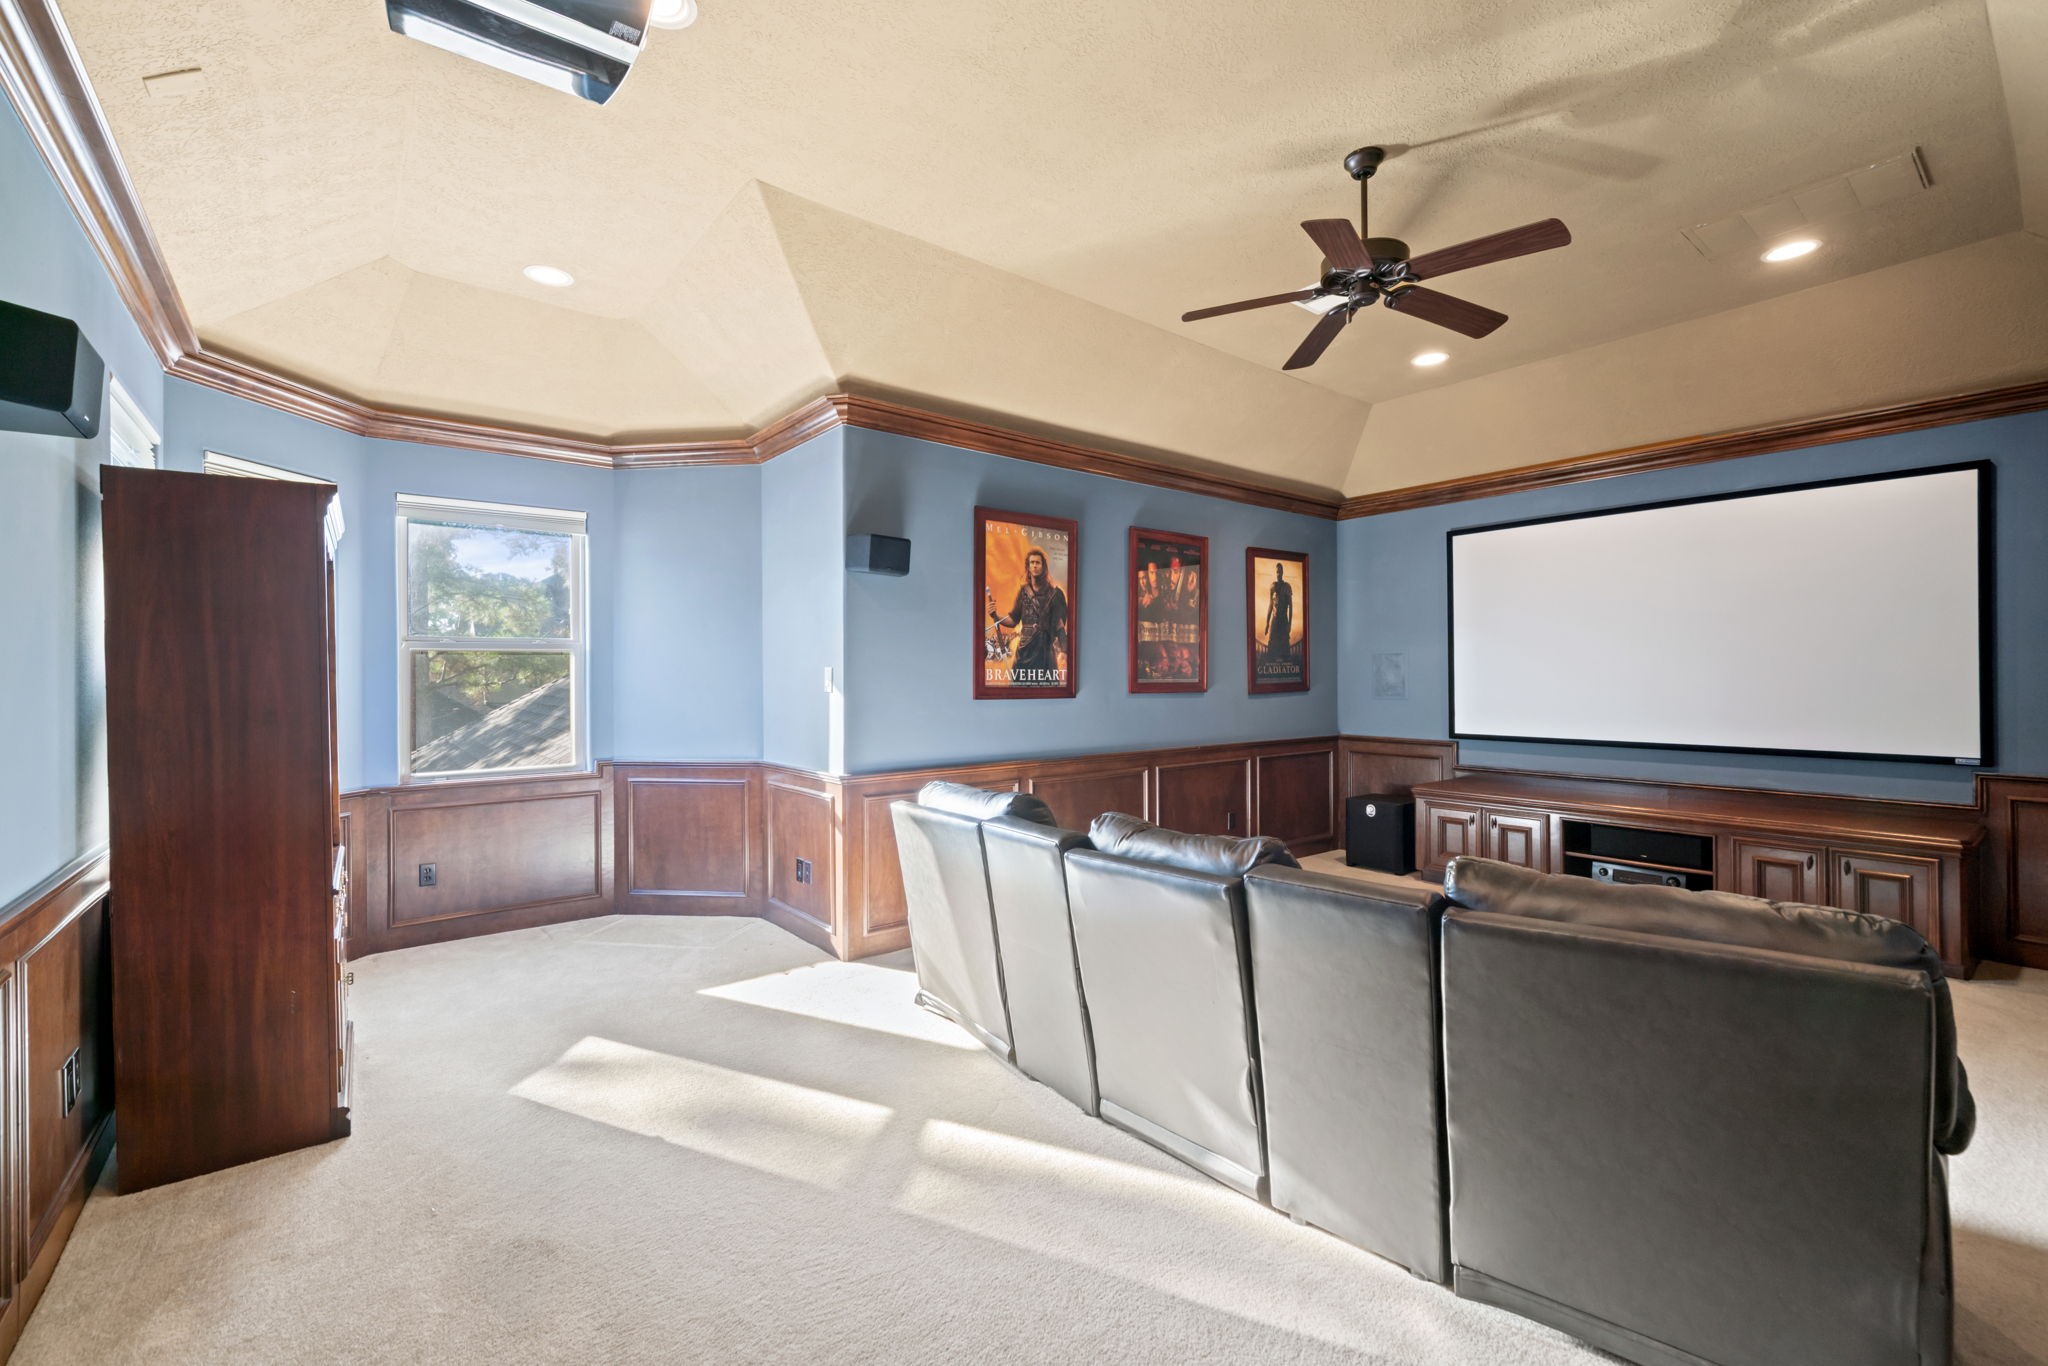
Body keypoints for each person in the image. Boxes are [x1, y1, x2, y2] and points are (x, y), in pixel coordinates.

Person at [991, 546, 1069, 686]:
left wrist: (1064, 649)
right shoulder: (1023, 592)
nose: (1034, 565)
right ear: (1028, 566)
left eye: (1038, 562)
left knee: (1048, 690)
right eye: (1032, 562)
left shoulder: (1056, 595)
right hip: (1025, 651)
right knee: (1018, 689)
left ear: (1043, 566)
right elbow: (1013, 620)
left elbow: (1059, 625)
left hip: (1045, 651)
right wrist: (996, 616)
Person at [1263, 561, 1294, 663]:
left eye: (1280, 572)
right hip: (1275, 619)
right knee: (1272, 643)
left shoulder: (1287, 587)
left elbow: (1291, 606)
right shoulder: (1273, 586)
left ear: (1282, 572)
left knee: (1284, 644)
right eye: (1277, 572)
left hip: (1283, 619)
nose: (1278, 574)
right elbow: (1270, 605)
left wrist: (1290, 624)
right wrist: (1267, 623)